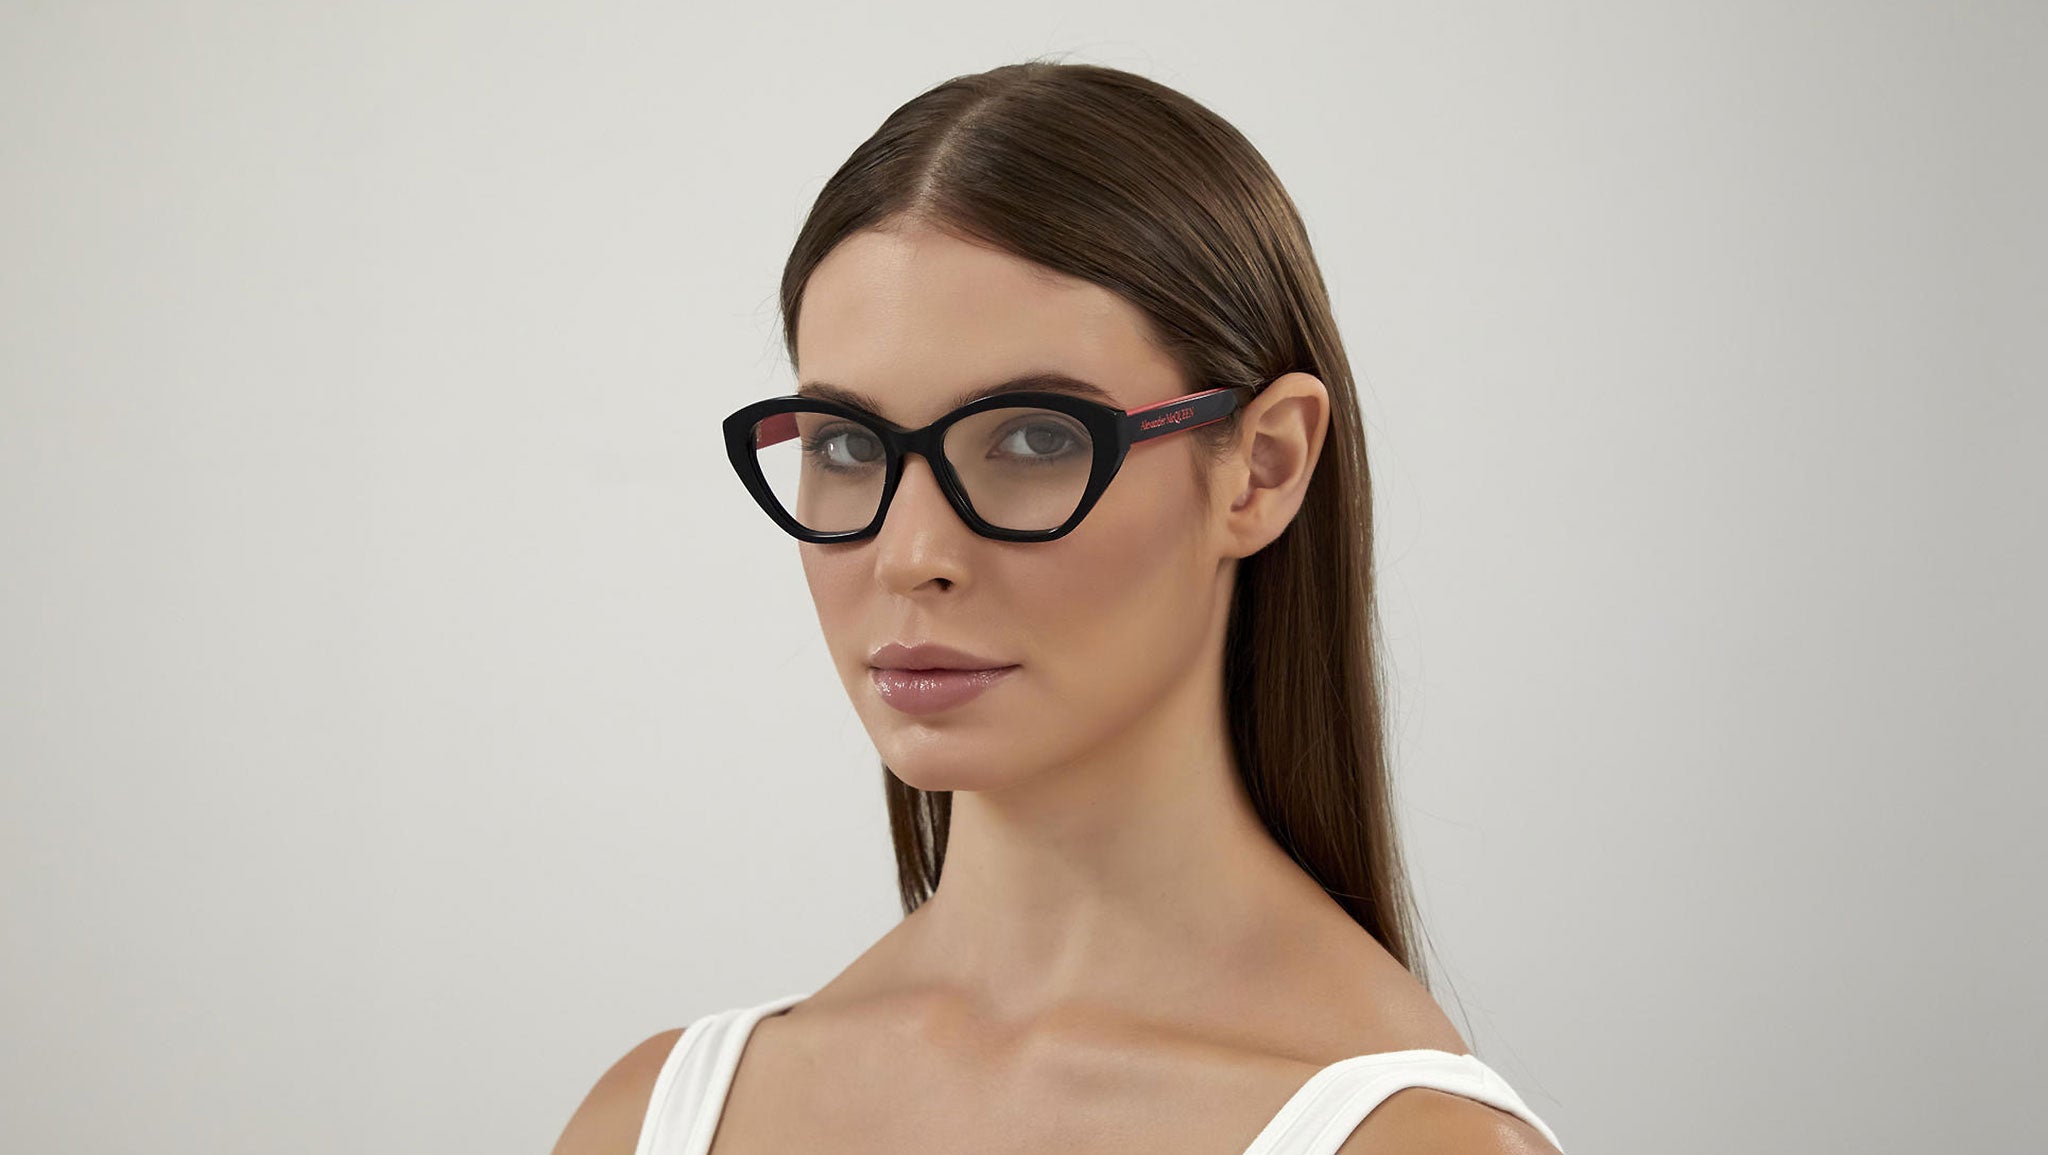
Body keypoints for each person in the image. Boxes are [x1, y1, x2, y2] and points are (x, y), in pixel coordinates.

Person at [552, 59, 1568, 1155]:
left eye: (1035, 438)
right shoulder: (652, 1117)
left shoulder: (1413, 1141)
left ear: (1263, 468)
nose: (913, 555)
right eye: (846, 445)